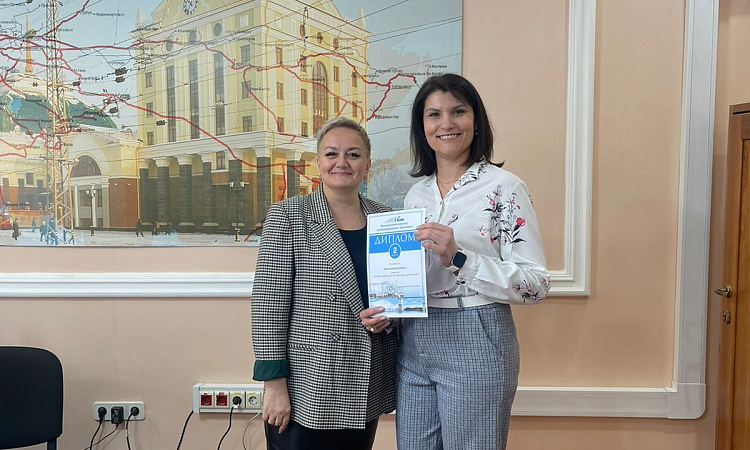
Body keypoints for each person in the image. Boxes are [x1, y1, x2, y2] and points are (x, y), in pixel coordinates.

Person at [397, 73, 551, 450]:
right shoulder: (415, 195)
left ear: (476, 120)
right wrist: (389, 306)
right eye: (434, 114)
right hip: (414, 337)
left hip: (476, 332)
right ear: (422, 127)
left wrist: (460, 258)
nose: (446, 123)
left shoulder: (504, 187)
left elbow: (535, 284)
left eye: (458, 111)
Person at [251, 117, 397, 450]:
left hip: (364, 381)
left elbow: (397, 293)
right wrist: (274, 384)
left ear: (367, 164)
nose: (342, 162)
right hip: (306, 386)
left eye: (353, 154)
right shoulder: (288, 215)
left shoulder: (386, 219)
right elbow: (267, 306)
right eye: (332, 154)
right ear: (318, 162)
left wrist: (390, 317)